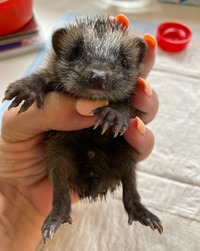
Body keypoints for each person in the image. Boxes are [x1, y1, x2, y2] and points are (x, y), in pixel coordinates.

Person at [0, 34, 158, 251]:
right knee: (57, 151)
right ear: (59, 49)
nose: (99, 75)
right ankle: (60, 207)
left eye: (122, 63)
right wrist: (32, 85)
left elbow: (128, 105)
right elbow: (44, 77)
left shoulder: (128, 90)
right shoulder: (52, 73)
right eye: (76, 56)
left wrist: (121, 111)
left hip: (109, 160)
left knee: (127, 153)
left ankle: (133, 203)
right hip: (69, 155)